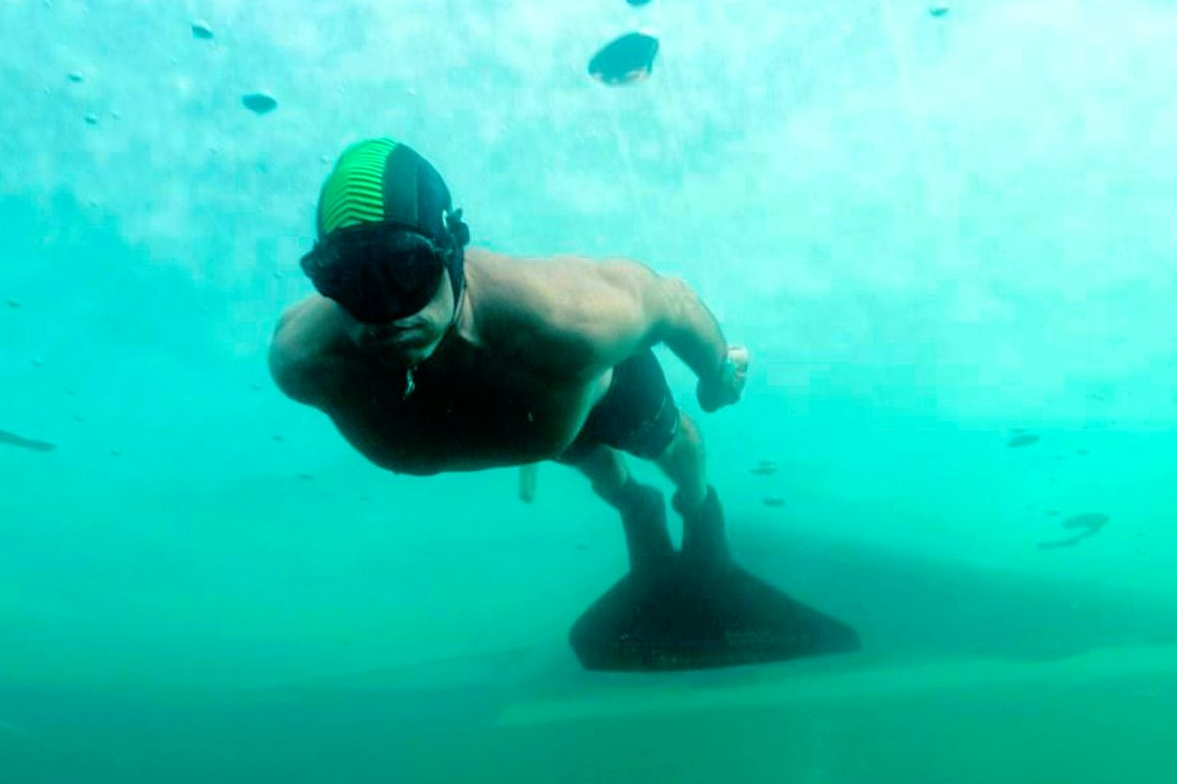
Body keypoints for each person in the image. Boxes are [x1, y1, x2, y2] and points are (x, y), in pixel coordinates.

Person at [268, 138, 855, 671]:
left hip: (584, 387)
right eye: (346, 279)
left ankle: (700, 518)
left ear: (452, 252)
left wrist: (717, 375)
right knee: (588, 460)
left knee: (674, 441)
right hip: (541, 414)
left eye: (404, 270)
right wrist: (714, 375)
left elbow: (669, 301)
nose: (385, 312)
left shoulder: (567, 323)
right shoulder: (306, 361)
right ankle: (636, 508)